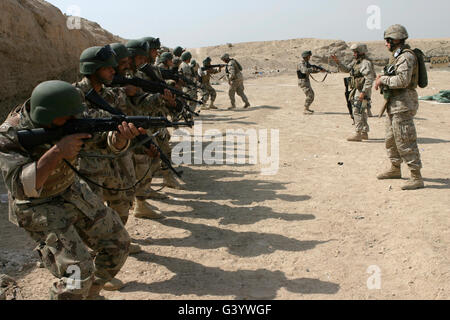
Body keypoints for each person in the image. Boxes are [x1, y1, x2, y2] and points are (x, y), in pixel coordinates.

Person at [0, 80, 144, 299]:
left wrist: (119, 137)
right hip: (36, 203)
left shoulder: (73, 116)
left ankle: (89, 294)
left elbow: (103, 141)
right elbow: (21, 187)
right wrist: (57, 152)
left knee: (118, 245)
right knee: (78, 273)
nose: (75, 121)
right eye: (68, 119)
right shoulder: (10, 134)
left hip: (71, 188)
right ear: (46, 116)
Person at [375, 24, 424, 190]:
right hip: (393, 103)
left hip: (403, 104)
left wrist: (383, 80)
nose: (386, 44)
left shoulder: (405, 57)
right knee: (391, 139)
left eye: (387, 41)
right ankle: (395, 169)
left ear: (394, 39)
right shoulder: (396, 56)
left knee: (405, 140)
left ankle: (416, 176)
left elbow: (403, 80)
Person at [331, 44, 376, 141]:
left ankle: (358, 133)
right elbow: (347, 69)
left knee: (357, 110)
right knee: (361, 111)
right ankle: (364, 132)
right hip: (359, 90)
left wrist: (363, 93)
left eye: (355, 52)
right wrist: (337, 61)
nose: (354, 54)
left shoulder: (365, 63)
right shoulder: (357, 62)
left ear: (360, 52)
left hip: (362, 91)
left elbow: (369, 79)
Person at [297, 51, 326, 115]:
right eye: (309, 56)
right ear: (306, 56)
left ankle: (307, 108)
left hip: (306, 81)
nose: (309, 57)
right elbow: (305, 71)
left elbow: (311, 69)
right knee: (310, 95)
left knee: (311, 94)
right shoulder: (301, 63)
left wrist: (319, 70)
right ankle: (305, 109)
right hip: (303, 82)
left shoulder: (306, 63)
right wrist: (314, 69)